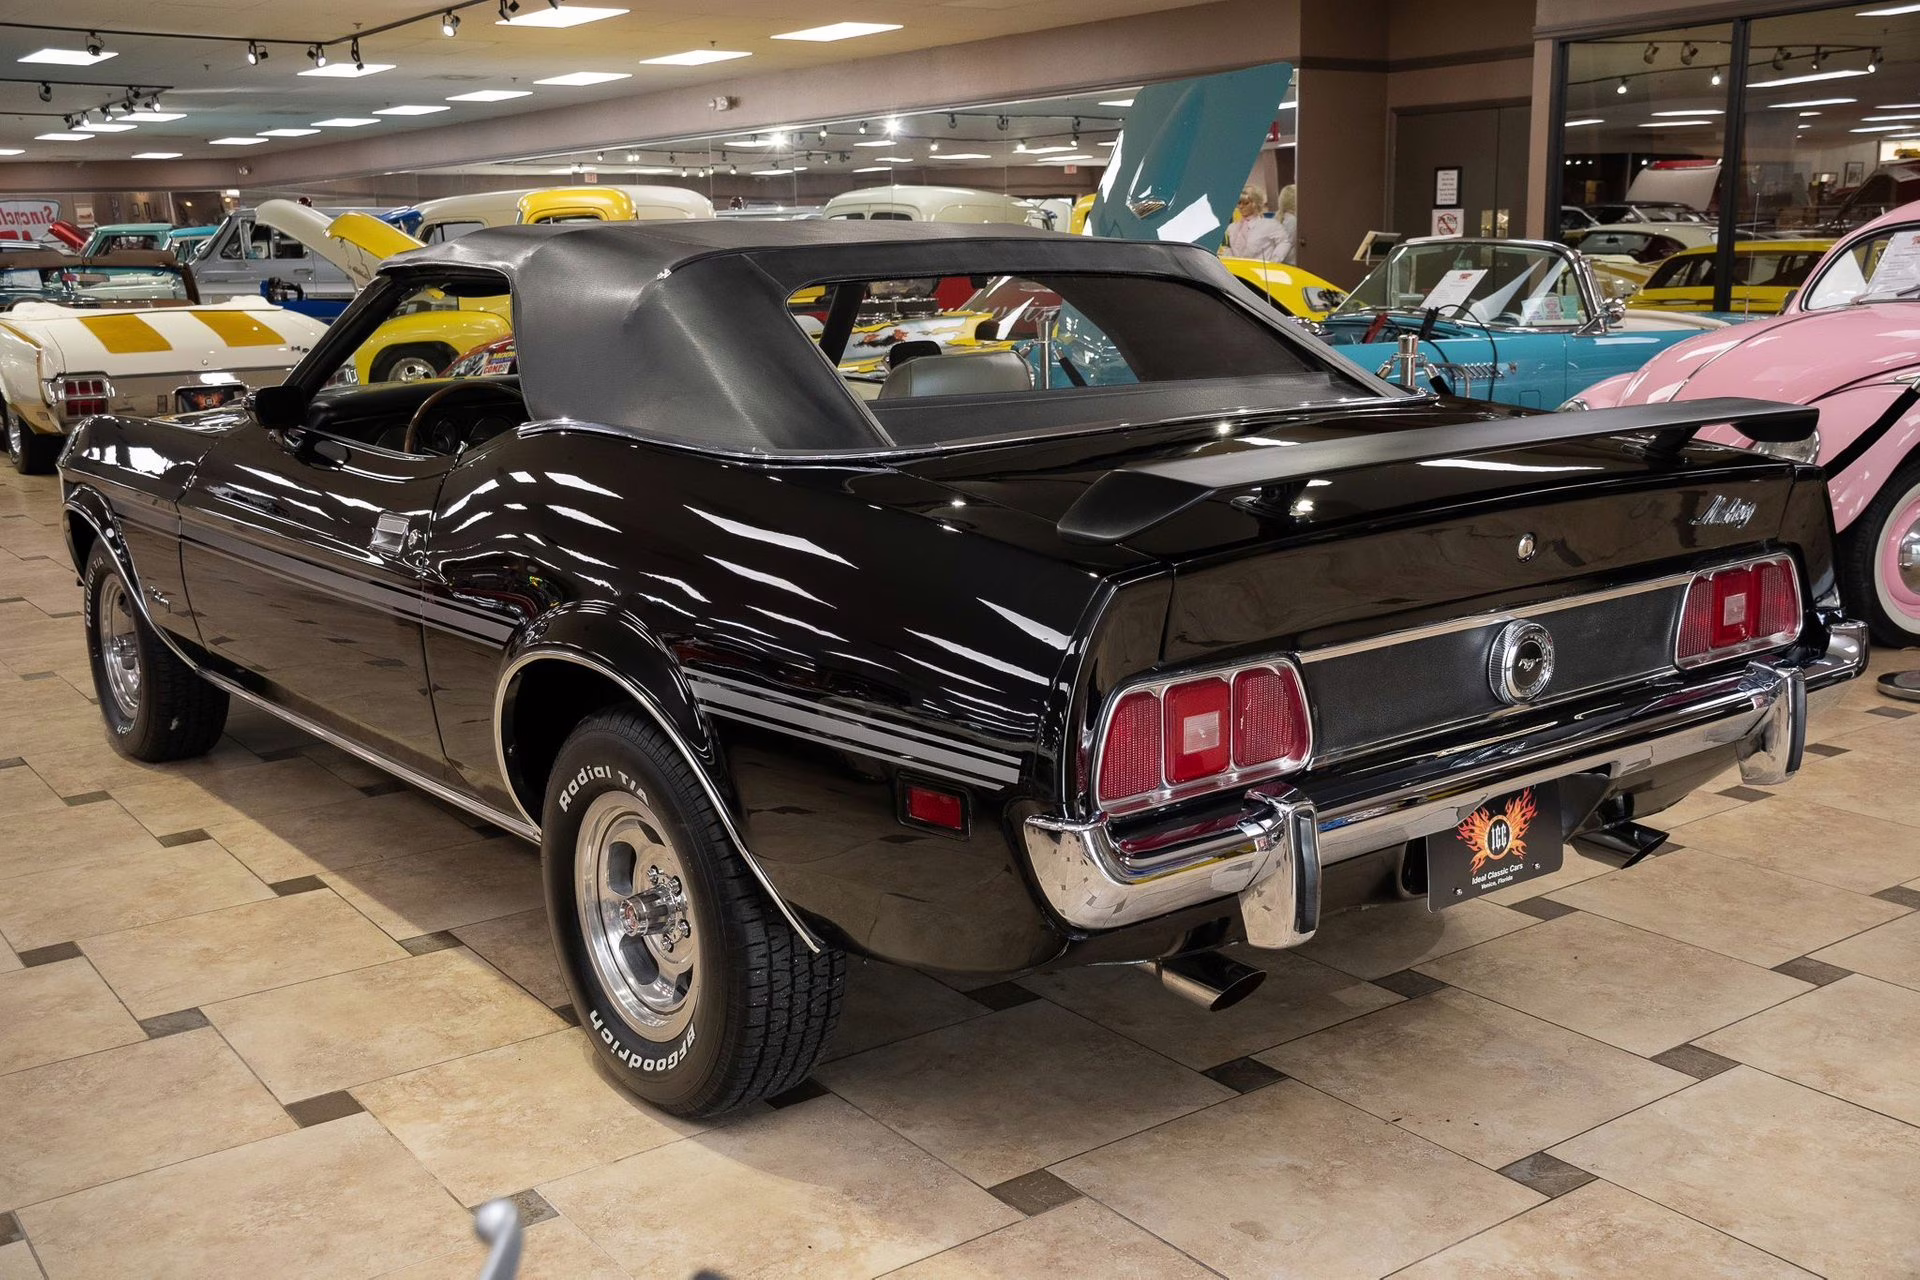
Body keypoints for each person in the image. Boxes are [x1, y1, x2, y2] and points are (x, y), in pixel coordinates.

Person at [1224, 184, 1289, 262]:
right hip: (1237, 271)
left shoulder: (1270, 225)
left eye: (1246, 203)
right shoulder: (1232, 228)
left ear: (1255, 203)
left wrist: (1275, 260)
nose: (1241, 206)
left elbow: (1284, 242)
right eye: (1239, 203)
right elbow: (1229, 250)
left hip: (1261, 271)